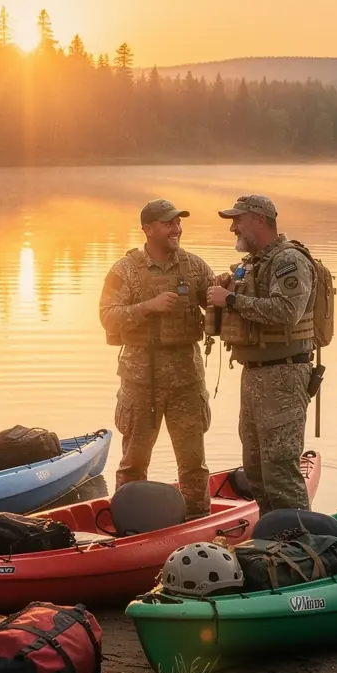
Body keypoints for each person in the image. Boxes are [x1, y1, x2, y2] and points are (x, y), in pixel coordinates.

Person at [99, 198, 215, 518]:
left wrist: (228, 292)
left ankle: (197, 520)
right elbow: (107, 317)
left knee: (193, 463)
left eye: (178, 223)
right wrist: (146, 307)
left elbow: (216, 303)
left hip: (187, 380)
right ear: (148, 229)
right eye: (168, 223)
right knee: (133, 463)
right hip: (141, 382)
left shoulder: (194, 266)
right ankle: (128, 523)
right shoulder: (125, 270)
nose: (176, 229)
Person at [207, 194, 316, 513]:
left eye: (237, 220)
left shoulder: (288, 260)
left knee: (280, 469)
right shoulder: (252, 264)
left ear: (259, 220)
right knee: (255, 469)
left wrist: (230, 300)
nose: (233, 228)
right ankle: (273, 540)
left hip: (283, 375)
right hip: (253, 373)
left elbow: (287, 312)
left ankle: (301, 544)